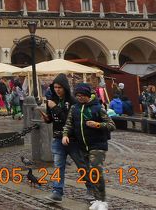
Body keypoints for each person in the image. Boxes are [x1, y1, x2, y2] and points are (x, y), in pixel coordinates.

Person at [62, 83, 116, 210]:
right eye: (78, 95)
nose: (80, 98)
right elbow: (69, 124)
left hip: (98, 145)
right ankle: (97, 199)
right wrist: (65, 135)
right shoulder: (74, 108)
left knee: (95, 170)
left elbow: (111, 125)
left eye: (82, 95)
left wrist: (97, 125)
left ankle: (102, 201)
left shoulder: (98, 108)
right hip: (83, 146)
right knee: (89, 173)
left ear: (88, 95)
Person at [41, 74, 91, 202]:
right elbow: (53, 119)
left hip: (72, 139)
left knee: (81, 165)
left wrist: (55, 108)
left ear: (65, 88)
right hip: (58, 138)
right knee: (58, 166)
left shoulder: (73, 102)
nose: (57, 90)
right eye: (55, 87)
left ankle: (91, 188)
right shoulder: (52, 100)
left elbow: (69, 120)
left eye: (60, 87)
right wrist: (47, 119)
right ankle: (57, 192)